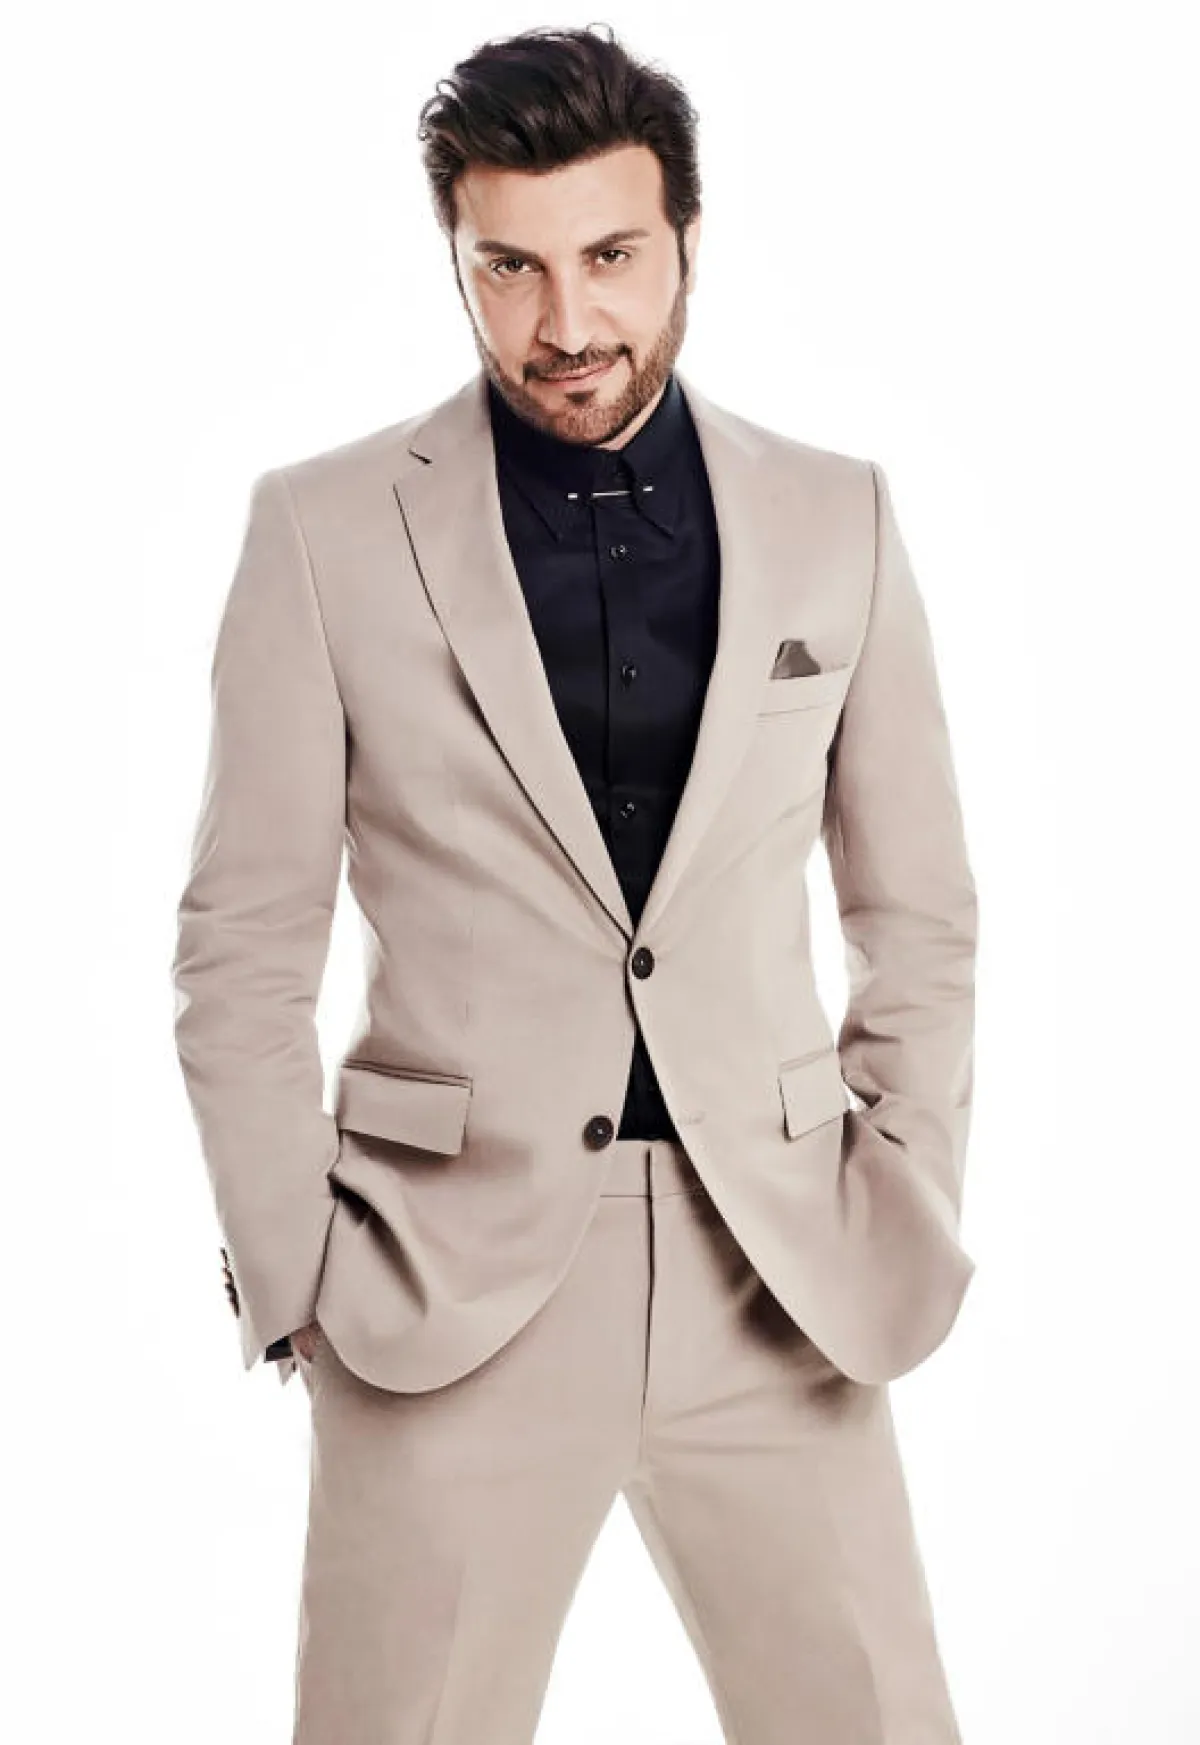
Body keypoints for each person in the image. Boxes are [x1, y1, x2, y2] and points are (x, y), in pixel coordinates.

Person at [170, 23, 979, 1743]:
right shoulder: (321, 531)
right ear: (456, 261)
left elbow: (916, 909)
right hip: (441, 1288)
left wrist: (899, 1179)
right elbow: (242, 941)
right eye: (511, 268)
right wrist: (296, 1273)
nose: (567, 323)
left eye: (611, 257)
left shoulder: (835, 516)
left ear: (687, 239)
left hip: (778, 1272)